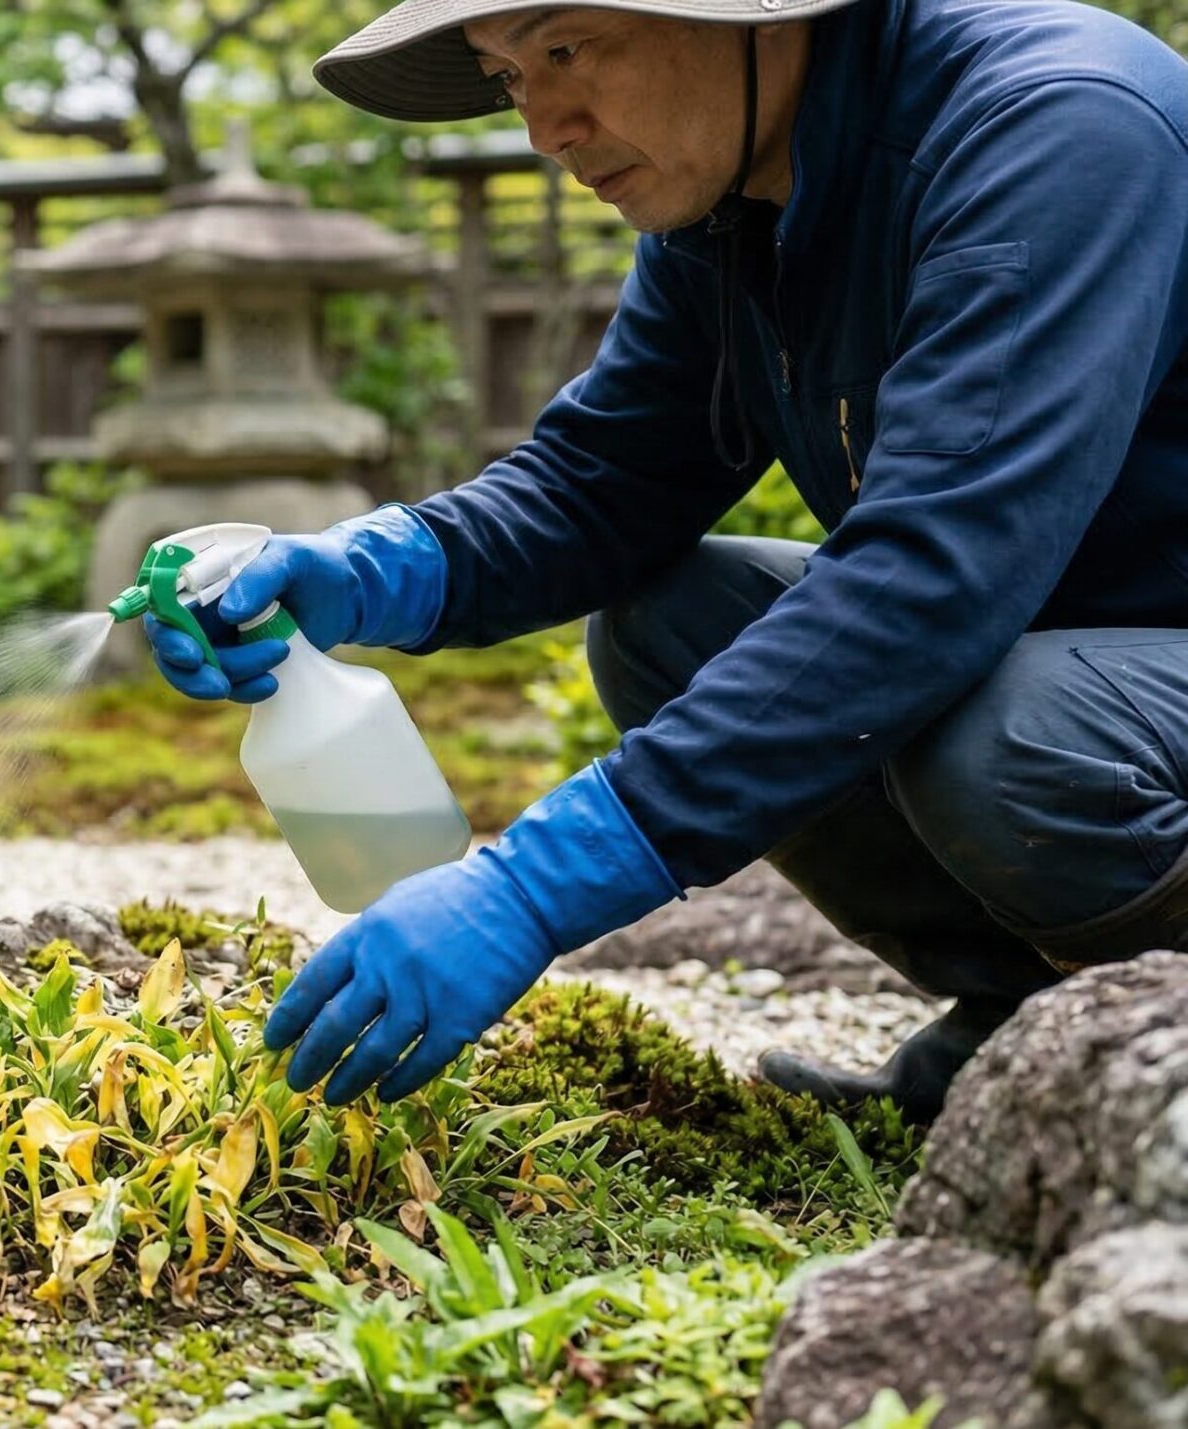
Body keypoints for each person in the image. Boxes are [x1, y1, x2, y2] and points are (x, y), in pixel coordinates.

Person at [150, 0, 1188, 1125]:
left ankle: (1153, 1055)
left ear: (760, 17)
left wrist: (527, 890)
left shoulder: (1055, 127)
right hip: (1077, 653)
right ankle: (1024, 1034)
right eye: (506, 78)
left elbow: (934, 572)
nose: (545, 125)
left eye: (566, 49)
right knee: (675, 621)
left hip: (1122, 671)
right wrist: (356, 570)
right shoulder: (734, 194)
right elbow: (602, 485)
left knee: (1021, 741)